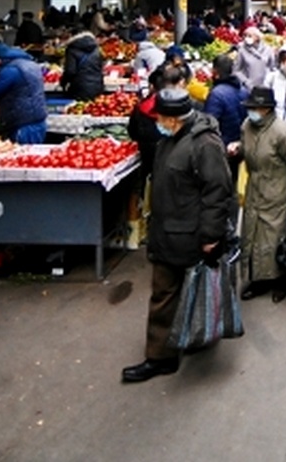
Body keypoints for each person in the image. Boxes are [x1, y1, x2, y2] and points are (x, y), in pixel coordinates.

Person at [122, 88, 235, 383]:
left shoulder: (204, 144)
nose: (157, 122)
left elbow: (218, 191)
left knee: (179, 292)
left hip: (190, 233)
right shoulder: (169, 140)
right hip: (167, 231)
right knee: (165, 293)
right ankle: (162, 356)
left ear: (173, 119)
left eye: (160, 117)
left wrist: (211, 235)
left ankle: (176, 348)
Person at [231, 86, 286, 303]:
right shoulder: (247, 126)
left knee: (277, 241)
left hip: (278, 195)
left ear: (266, 109)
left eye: (255, 108)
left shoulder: (282, 132)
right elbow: (247, 150)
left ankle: (282, 281)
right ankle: (258, 280)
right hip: (254, 190)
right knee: (253, 238)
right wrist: (238, 150)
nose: (251, 112)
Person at [204, 55, 246, 181]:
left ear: (215, 72)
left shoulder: (216, 95)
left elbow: (209, 124)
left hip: (223, 149)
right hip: (239, 146)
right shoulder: (244, 91)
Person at [60, 29, 104, 102]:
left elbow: (70, 71)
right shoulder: (96, 48)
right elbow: (100, 67)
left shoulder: (72, 49)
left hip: (79, 87)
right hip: (97, 86)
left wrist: (63, 83)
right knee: (94, 106)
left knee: (78, 107)